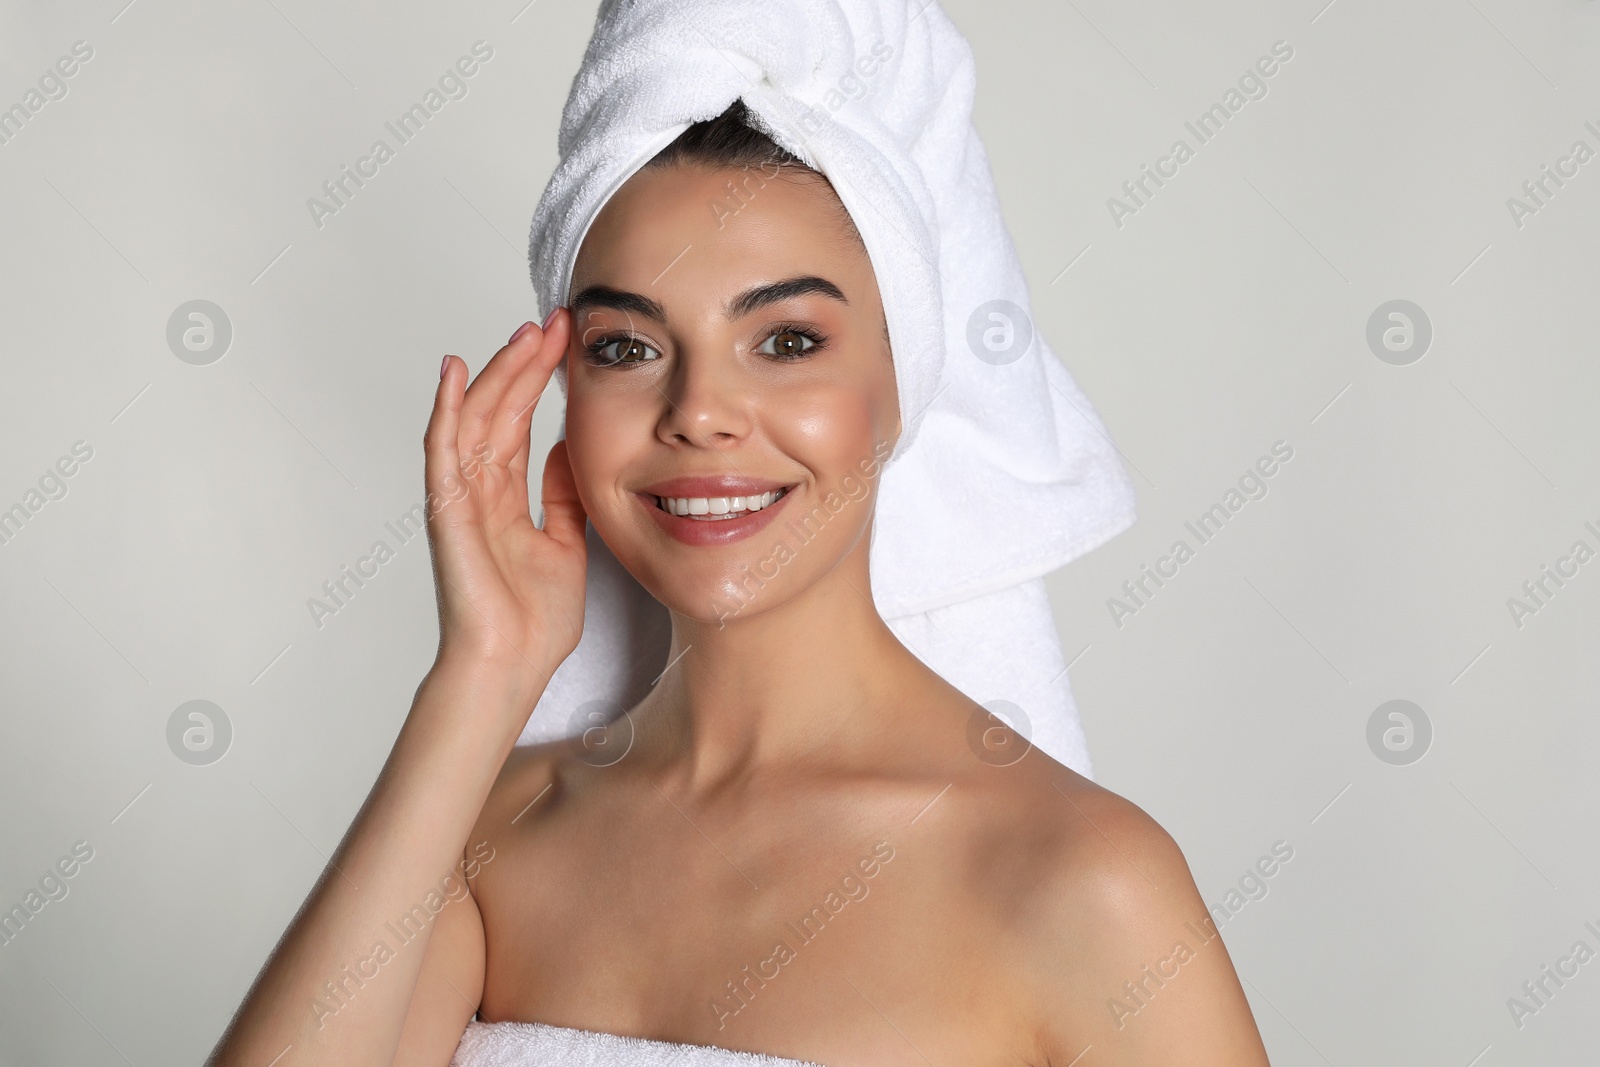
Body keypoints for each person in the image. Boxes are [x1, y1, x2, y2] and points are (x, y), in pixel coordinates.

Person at [206, 100, 1271, 1066]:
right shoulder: (493, 827)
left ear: (904, 388)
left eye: (787, 339)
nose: (699, 411)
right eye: (625, 346)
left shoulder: (1079, 879)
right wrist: (481, 674)